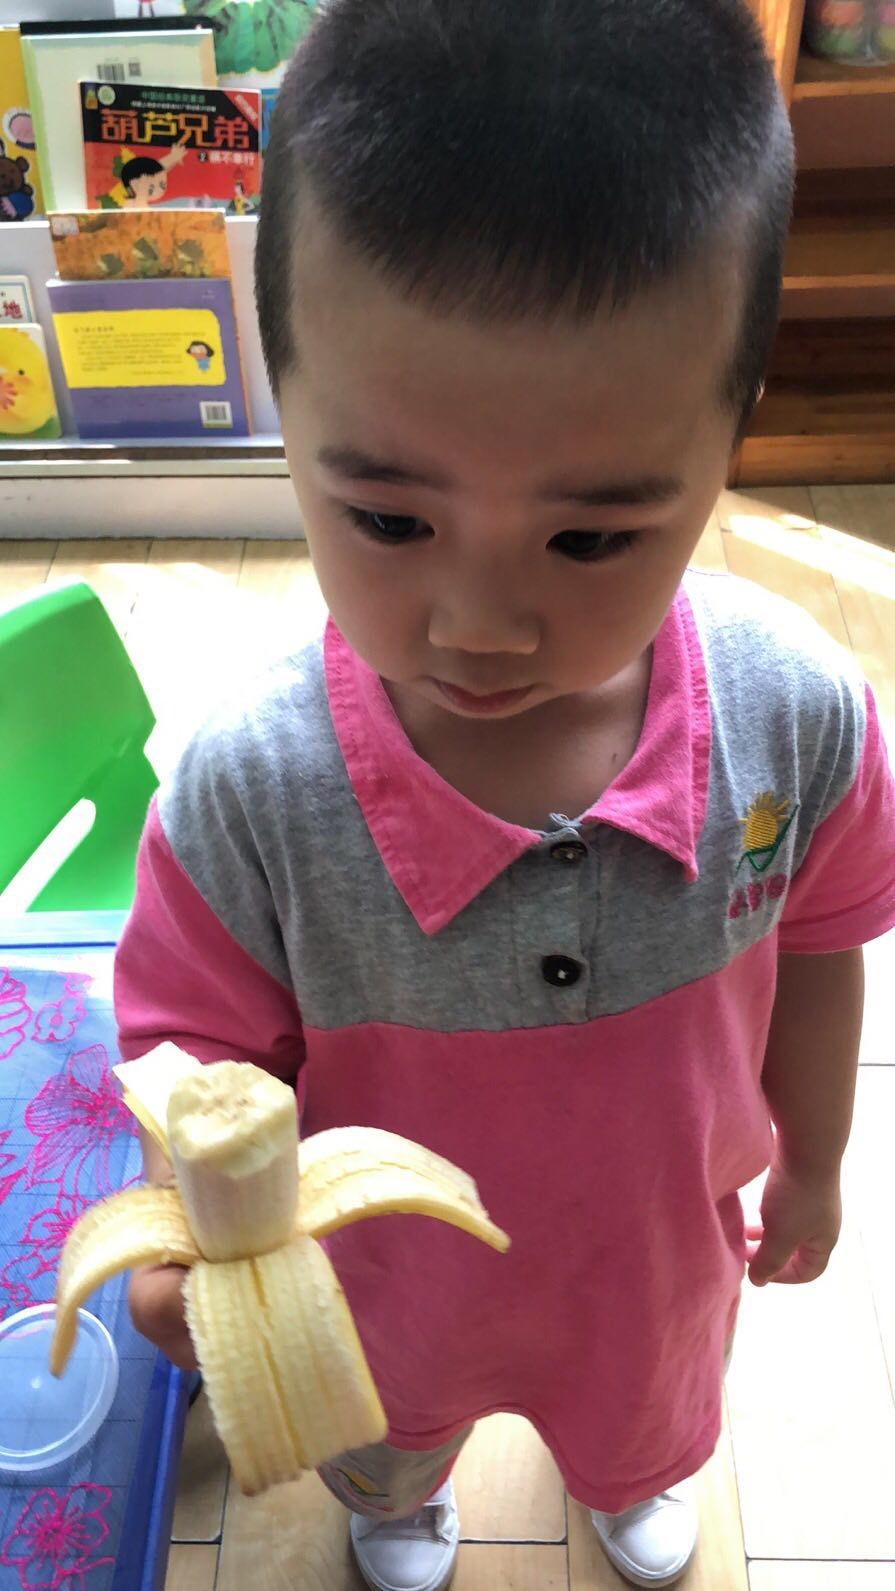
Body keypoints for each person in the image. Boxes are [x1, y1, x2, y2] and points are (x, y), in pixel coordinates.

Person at [116, 2, 895, 1588]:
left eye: (591, 537)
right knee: (389, 1435)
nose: (480, 626)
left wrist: (812, 1156)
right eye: (389, 520)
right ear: (283, 396)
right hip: (382, 1296)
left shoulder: (801, 719)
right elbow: (192, 1065)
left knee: (647, 1420)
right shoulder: (247, 794)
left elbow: (822, 953)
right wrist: (184, 1232)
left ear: (730, 427)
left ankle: (626, 1472)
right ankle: (401, 1499)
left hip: (655, 1264)